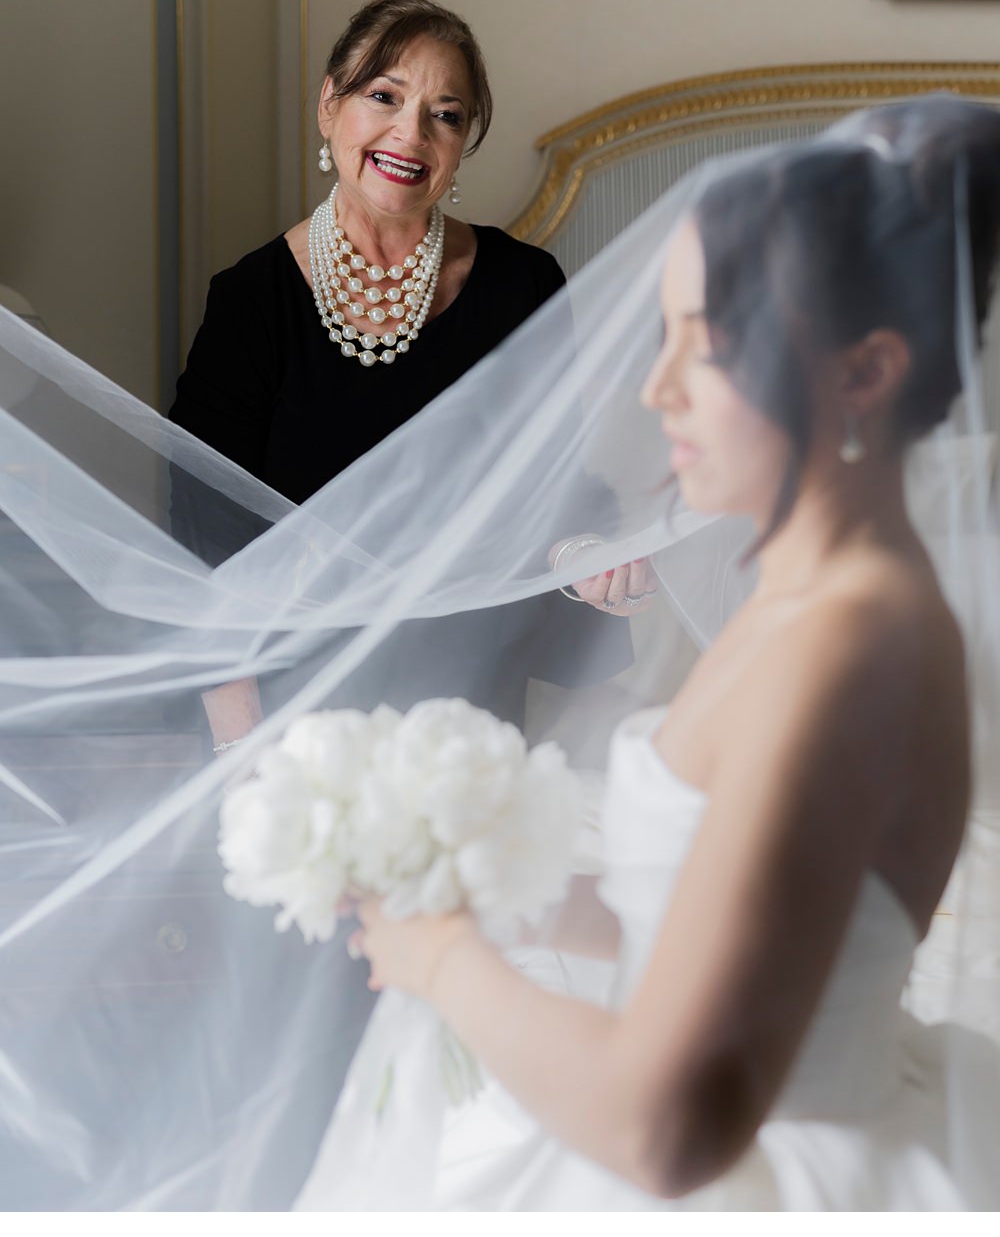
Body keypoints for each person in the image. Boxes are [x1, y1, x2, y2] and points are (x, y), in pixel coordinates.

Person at [295, 96, 1000, 1210]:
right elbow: (741, 927)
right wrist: (504, 898)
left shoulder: (846, 644)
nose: (654, 386)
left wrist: (436, 955)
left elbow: (668, 1129)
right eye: (662, 335)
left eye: (706, 348)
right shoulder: (801, 598)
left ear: (863, 375)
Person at [167, 0, 649, 750]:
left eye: (446, 114)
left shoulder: (523, 286)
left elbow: (550, 486)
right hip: (298, 724)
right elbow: (205, 543)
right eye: (384, 96)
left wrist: (587, 558)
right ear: (330, 106)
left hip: (472, 712)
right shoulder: (251, 301)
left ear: (461, 146)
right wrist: (244, 751)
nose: (411, 133)